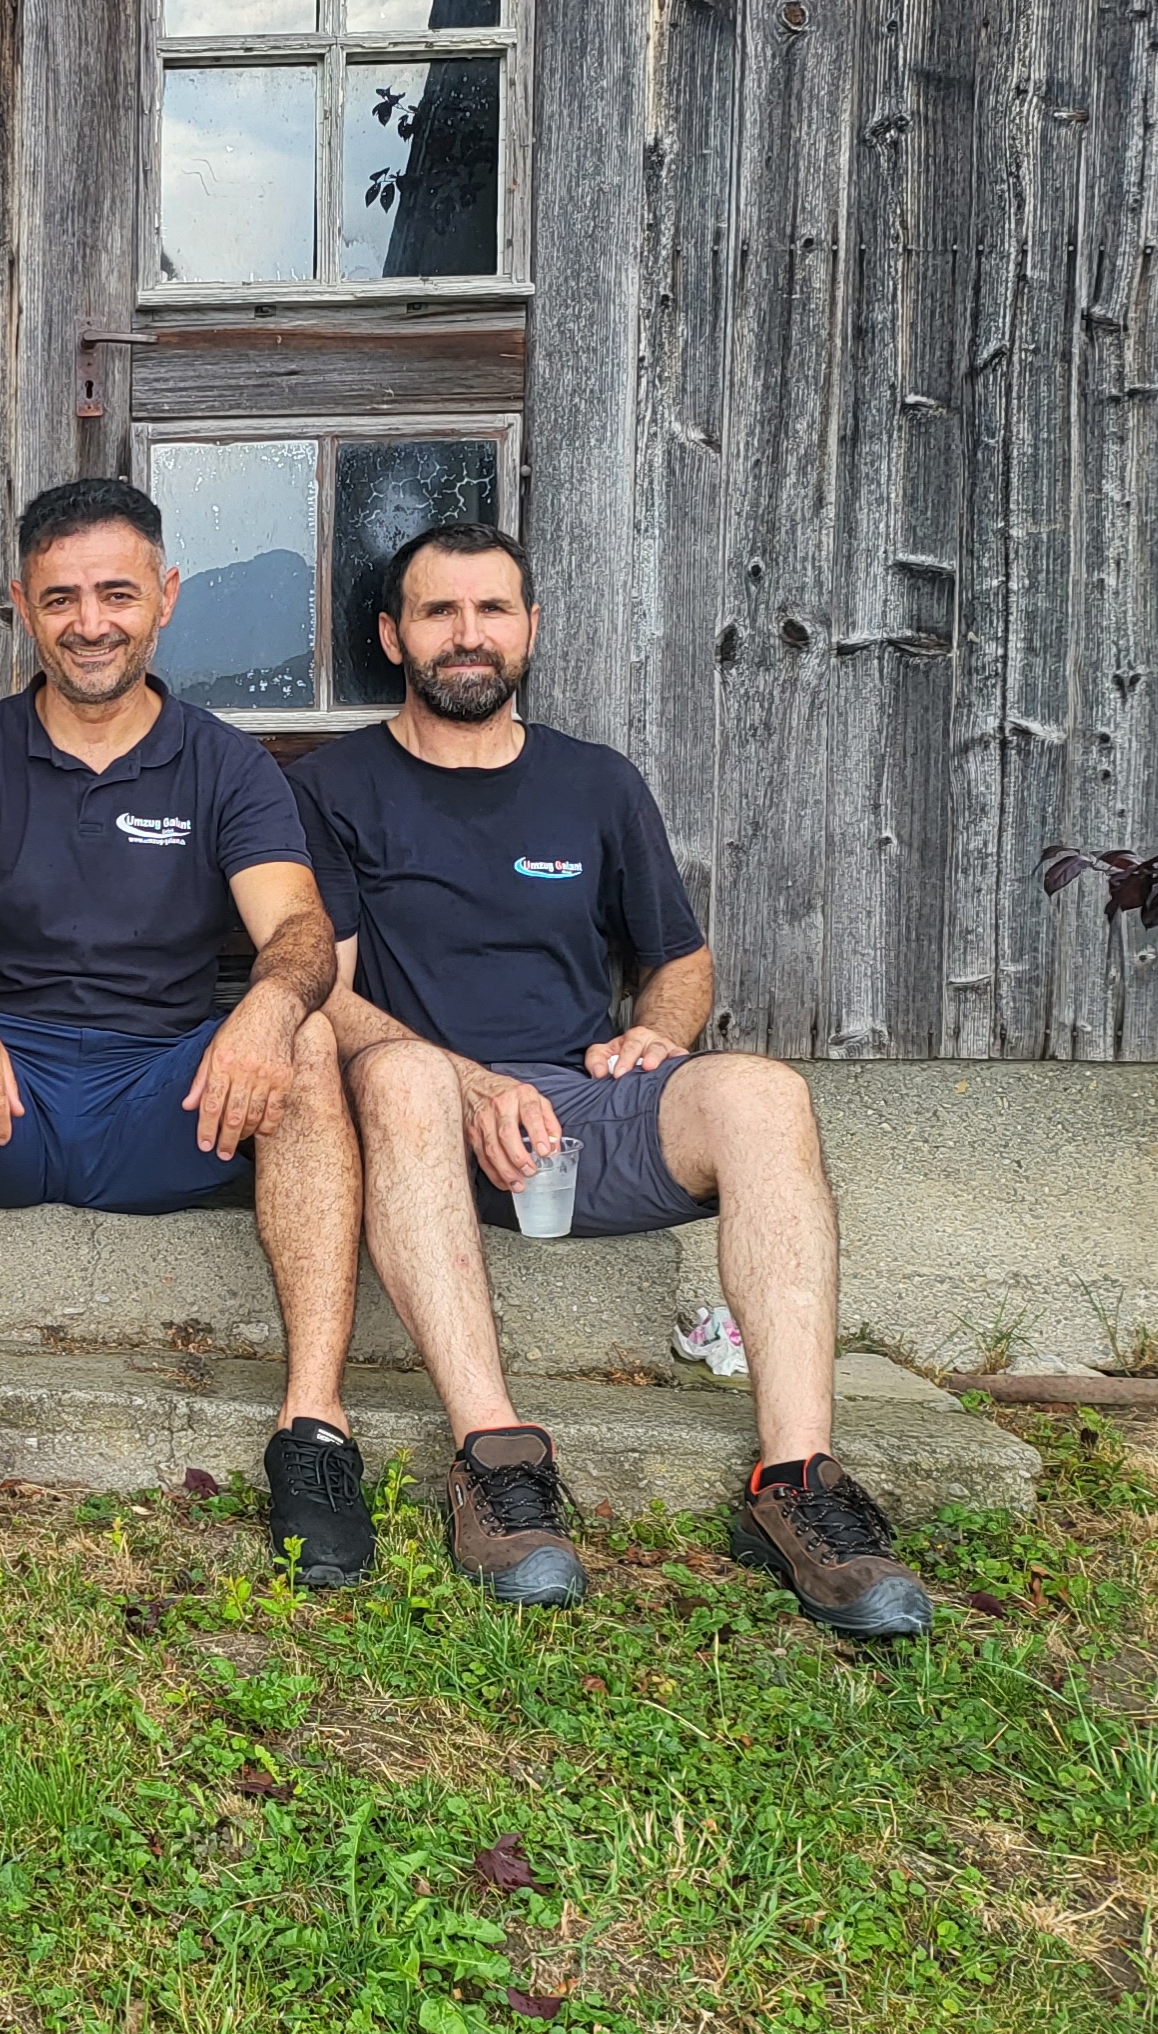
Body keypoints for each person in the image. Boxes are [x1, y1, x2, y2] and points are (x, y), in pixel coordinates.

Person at [293, 521, 932, 1639]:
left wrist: (660, 1033)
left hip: (580, 1112)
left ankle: (798, 1483)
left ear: (529, 630)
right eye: (440, 613)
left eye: (493, 611)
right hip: (421, 1111)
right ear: (392, 638)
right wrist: (477, 1087)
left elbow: (678, 959)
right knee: (395, 1077)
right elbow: (324, 992)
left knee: (762, 1092)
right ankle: (495, 1465)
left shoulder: (594, 783)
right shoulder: (336, 786)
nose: (469, 636)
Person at [0, 476, 366, 1566]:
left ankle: (314, 1434)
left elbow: (300, 931)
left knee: (310, 1037)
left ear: (167, 597)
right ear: (21, 602)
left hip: (165, 1103)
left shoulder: (224, 763)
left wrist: (271, 1005)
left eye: (118, 594)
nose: (91, 623)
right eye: (63, 599)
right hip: (3, 1097)